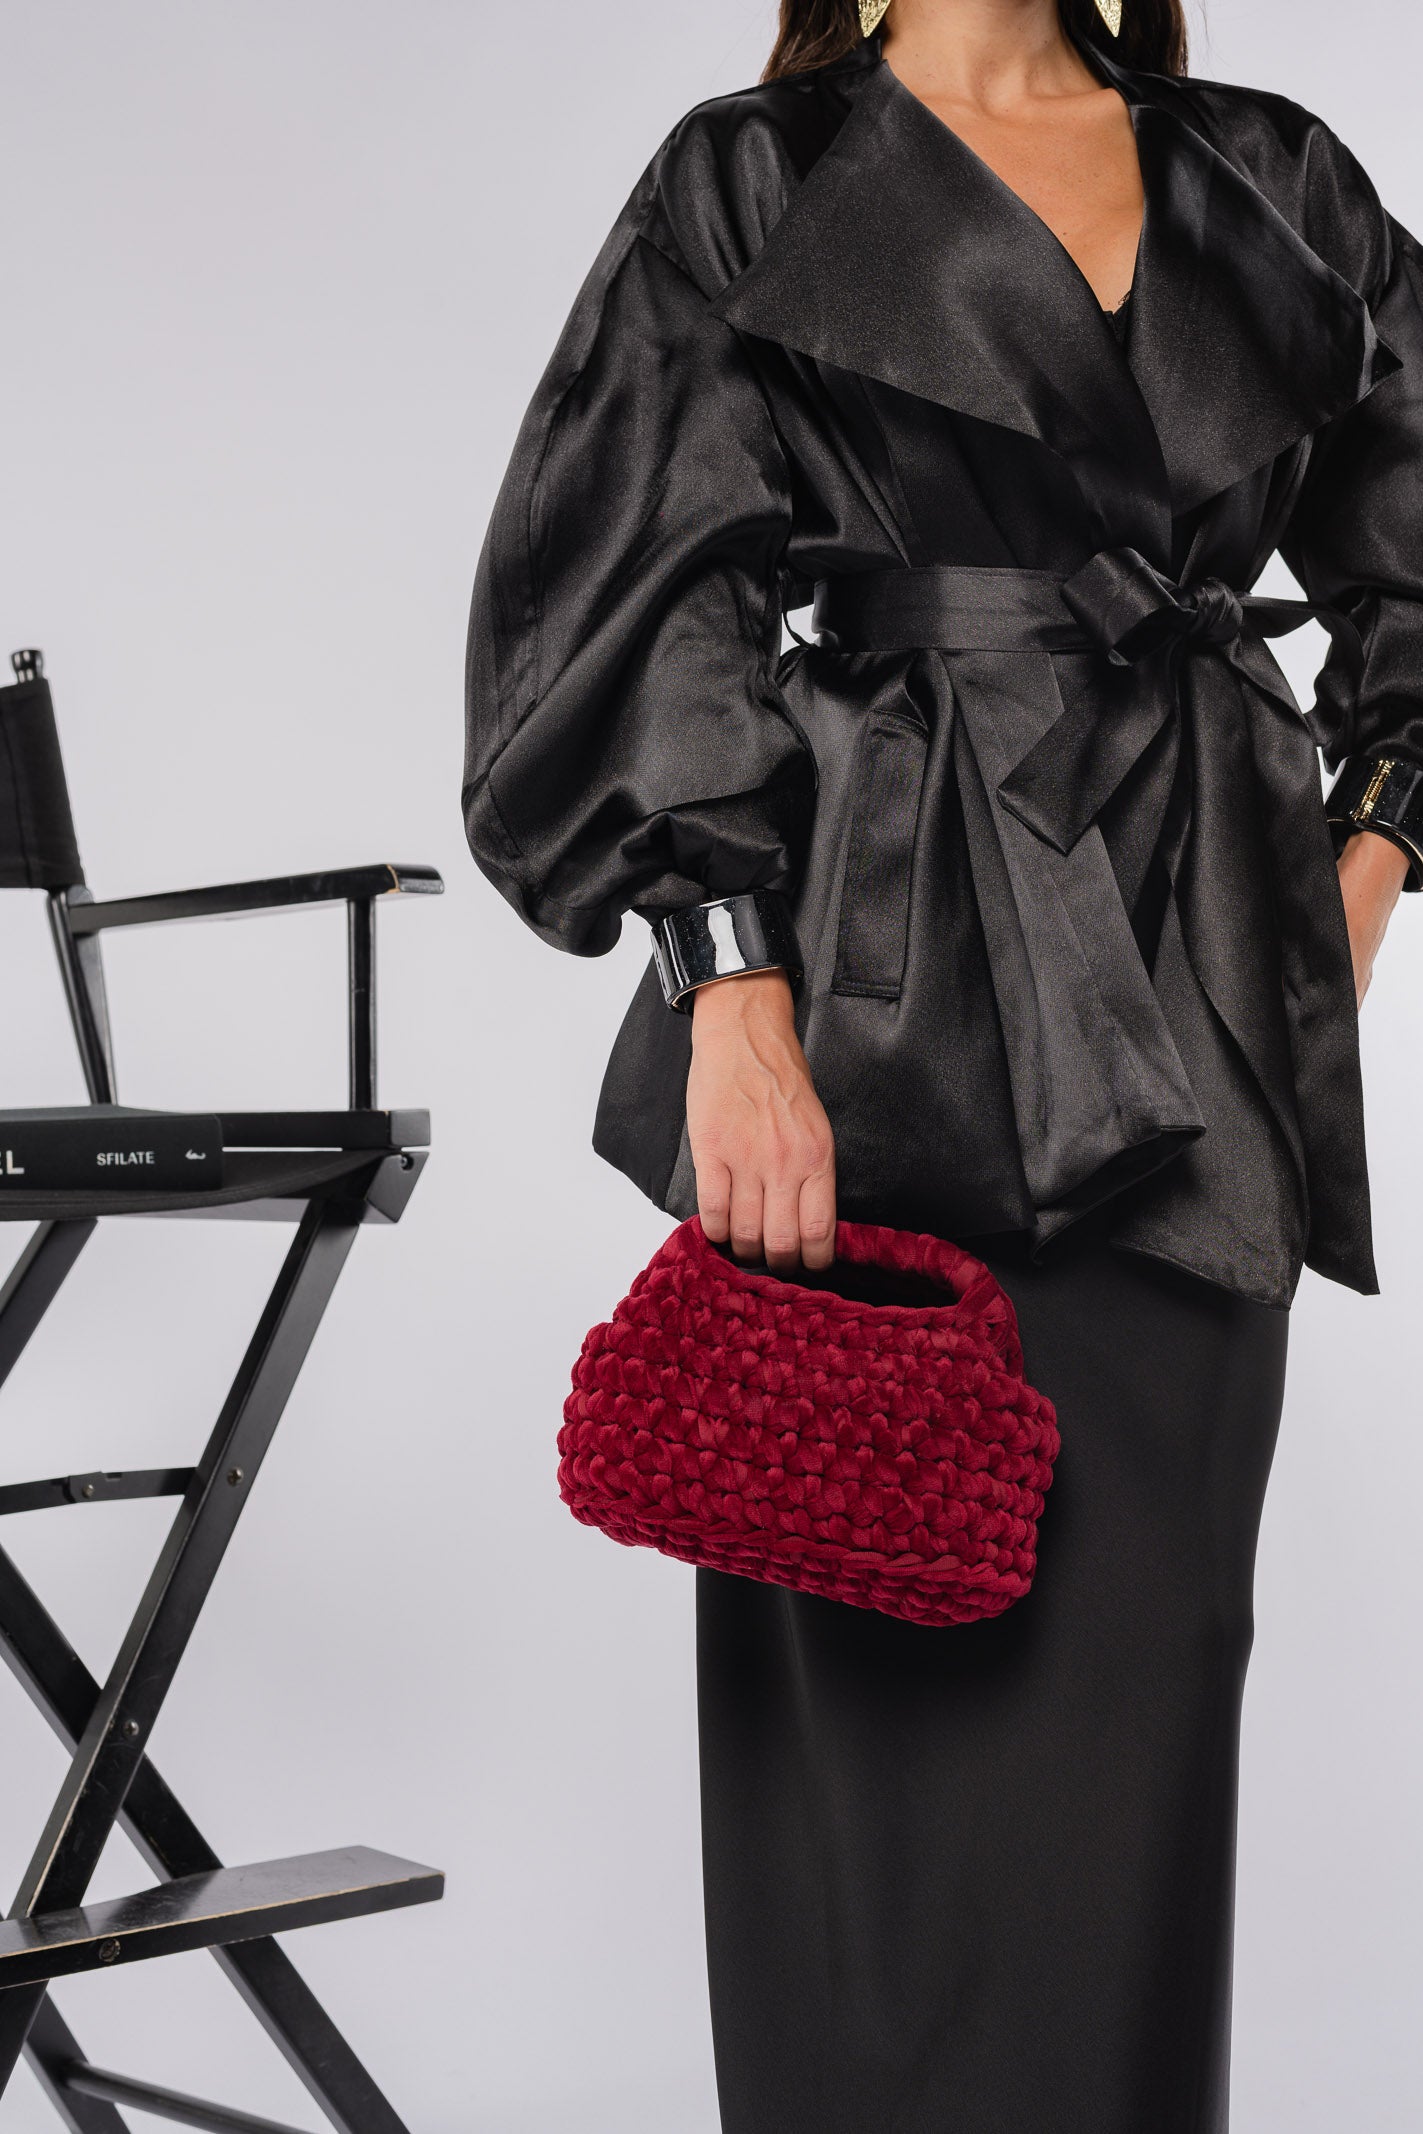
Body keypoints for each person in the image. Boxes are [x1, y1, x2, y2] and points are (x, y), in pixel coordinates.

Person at [464, 2, 1422, 2126]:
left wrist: (1361, 868)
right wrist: (726, 986)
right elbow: (627, 592)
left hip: (1193, 1029)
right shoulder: (754, 174)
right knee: (865, 1799)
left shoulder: (1269, 176)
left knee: (1136, 1747)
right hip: (871, 1028)